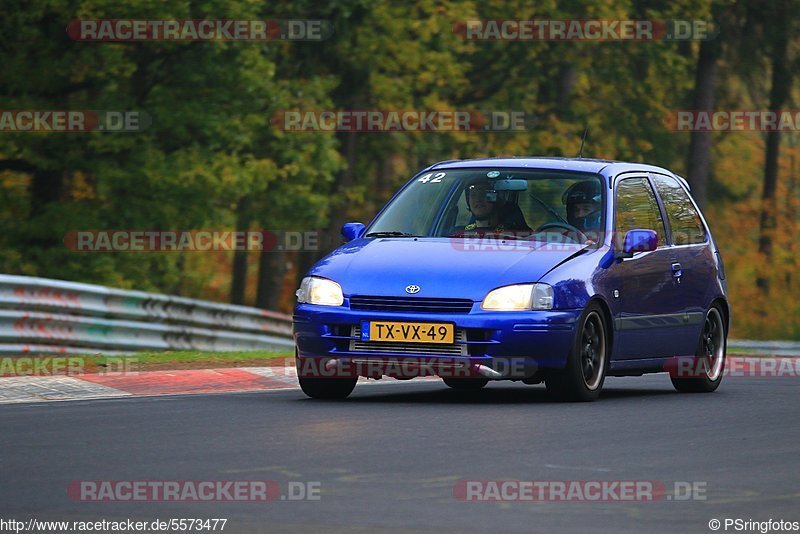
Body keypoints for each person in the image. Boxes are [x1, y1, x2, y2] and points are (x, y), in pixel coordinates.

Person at [462, 181, 530, 232]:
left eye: (484, 194)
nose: (478, 199)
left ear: (498, 200)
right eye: (473, 195)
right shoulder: (460, 234)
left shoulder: (514, 236)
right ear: (468, 201)